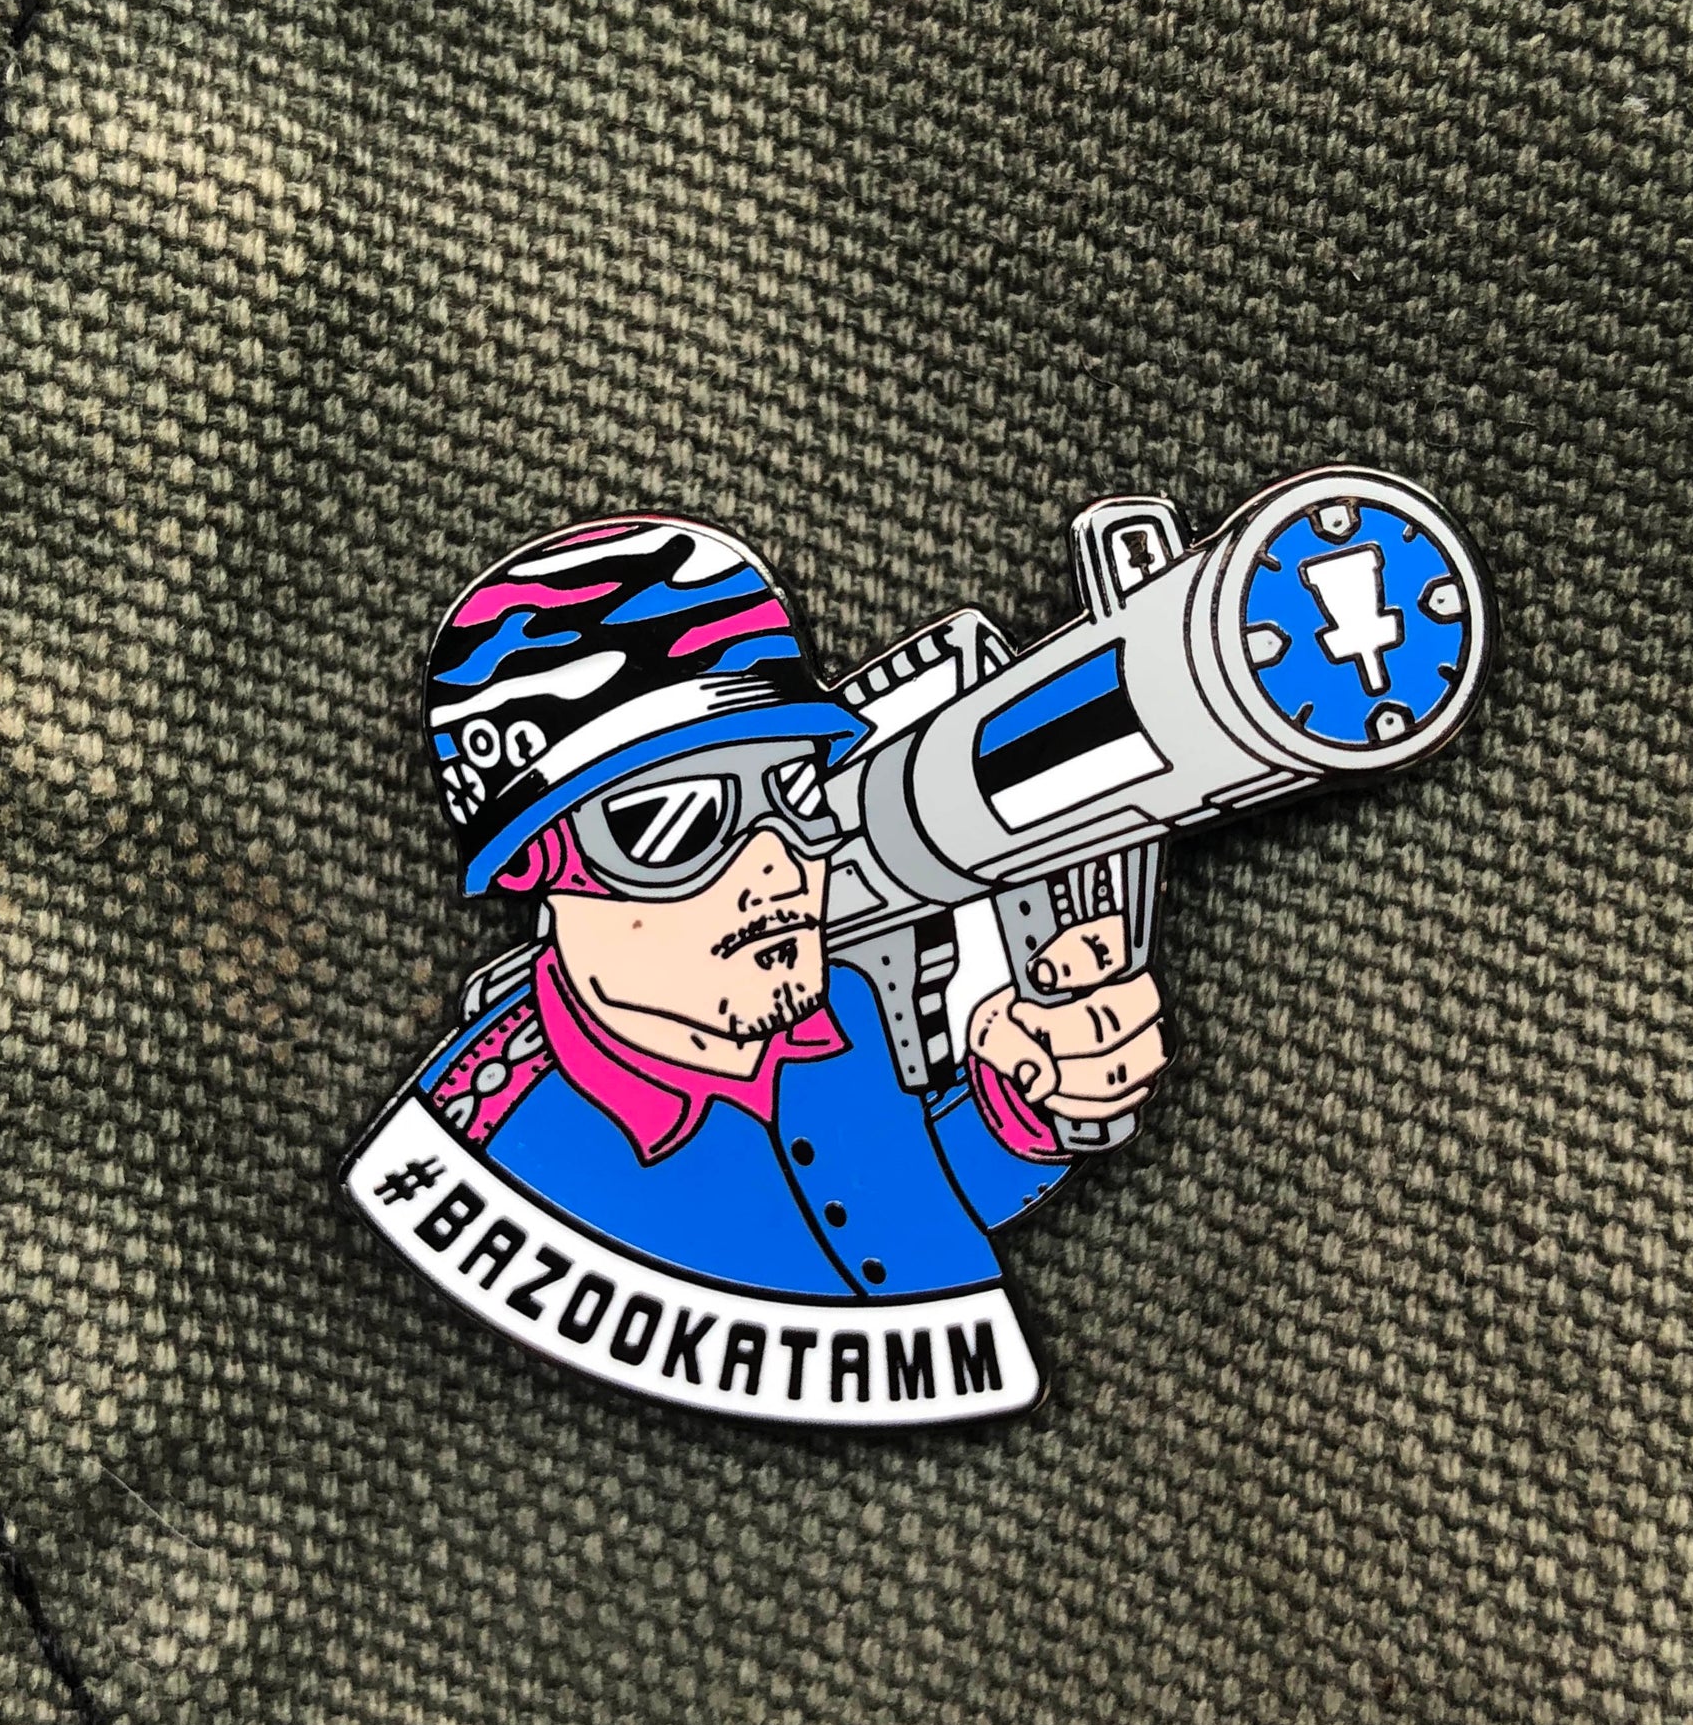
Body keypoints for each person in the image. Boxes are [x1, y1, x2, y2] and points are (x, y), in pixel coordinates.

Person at [406, 514, 1166, 1304]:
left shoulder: (846, 1007)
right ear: (537, 862)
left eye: (797, 793)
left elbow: (913, 1201)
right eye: (676, 821)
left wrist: (1022, 1101)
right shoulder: (491, 1141)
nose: (778, 866)